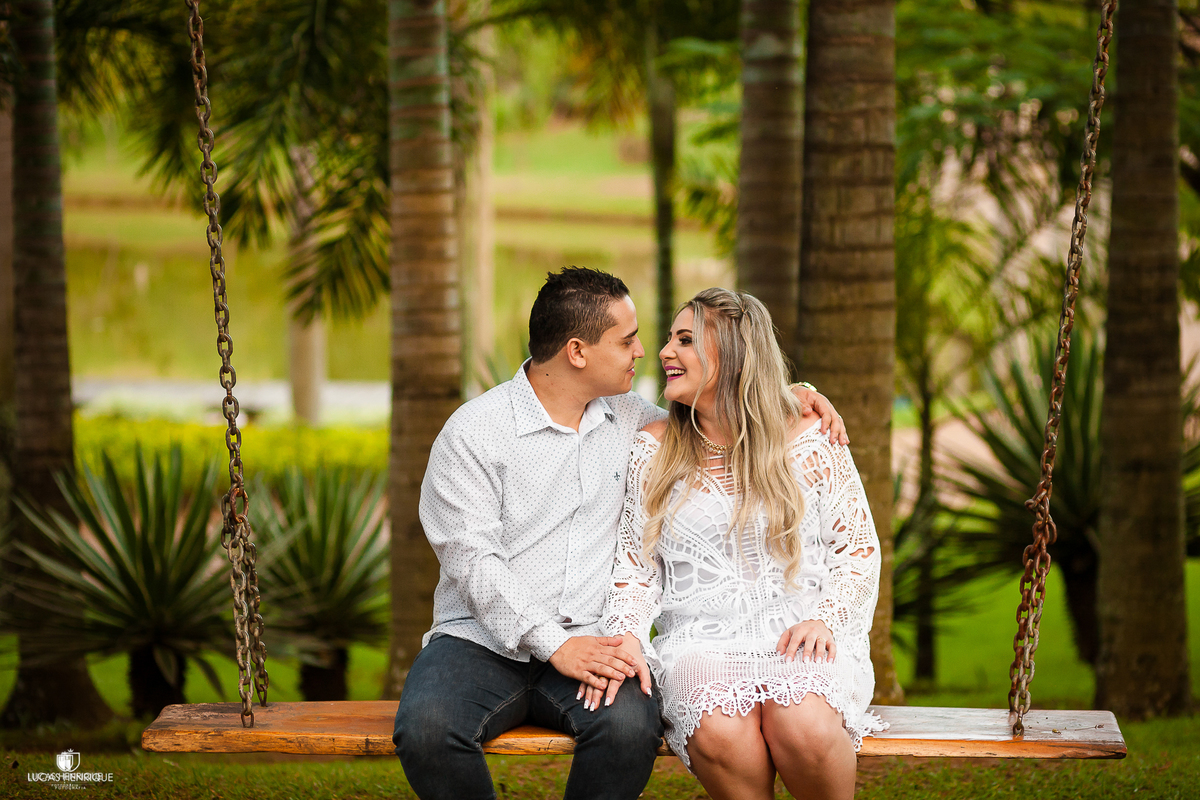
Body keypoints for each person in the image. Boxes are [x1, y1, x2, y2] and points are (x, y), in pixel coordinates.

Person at [393, 268, 847, 800]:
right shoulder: (474, 432)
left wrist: (794, 393)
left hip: (598, 638)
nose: (644, 351)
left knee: (629, 730)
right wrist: (557, 645)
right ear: (577, 352)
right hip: (479, 640)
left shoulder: (634, 420)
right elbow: (472, 561)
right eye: (626, 340)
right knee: (427, 732)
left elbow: (720, 405)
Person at [601, 288, 884, 800]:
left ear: (732, 355)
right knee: (720, 731)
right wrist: (628, 638)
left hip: (803, 632)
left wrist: (828, 620)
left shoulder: (811, 436)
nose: (664, 352)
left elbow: (857, 549)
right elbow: (636, 568)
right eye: (670, 338)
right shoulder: (653, 448)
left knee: (803, 724)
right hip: (701, 644)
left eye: (685, 340)